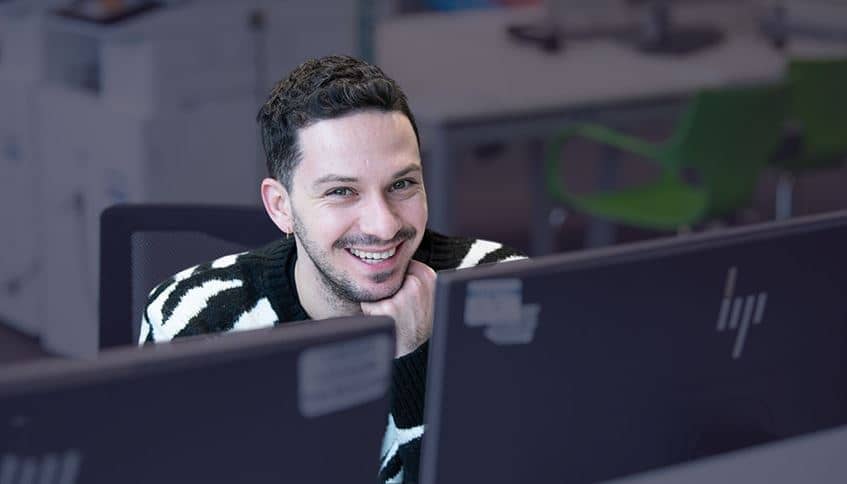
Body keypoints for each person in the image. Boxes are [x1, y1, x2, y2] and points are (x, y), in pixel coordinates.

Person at [139, 55, 525, 483]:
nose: (384, 225)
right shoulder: (198, 319)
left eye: (402, 184)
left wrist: (414, 357)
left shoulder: (497, 293)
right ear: (280, 207)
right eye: (342, 191)